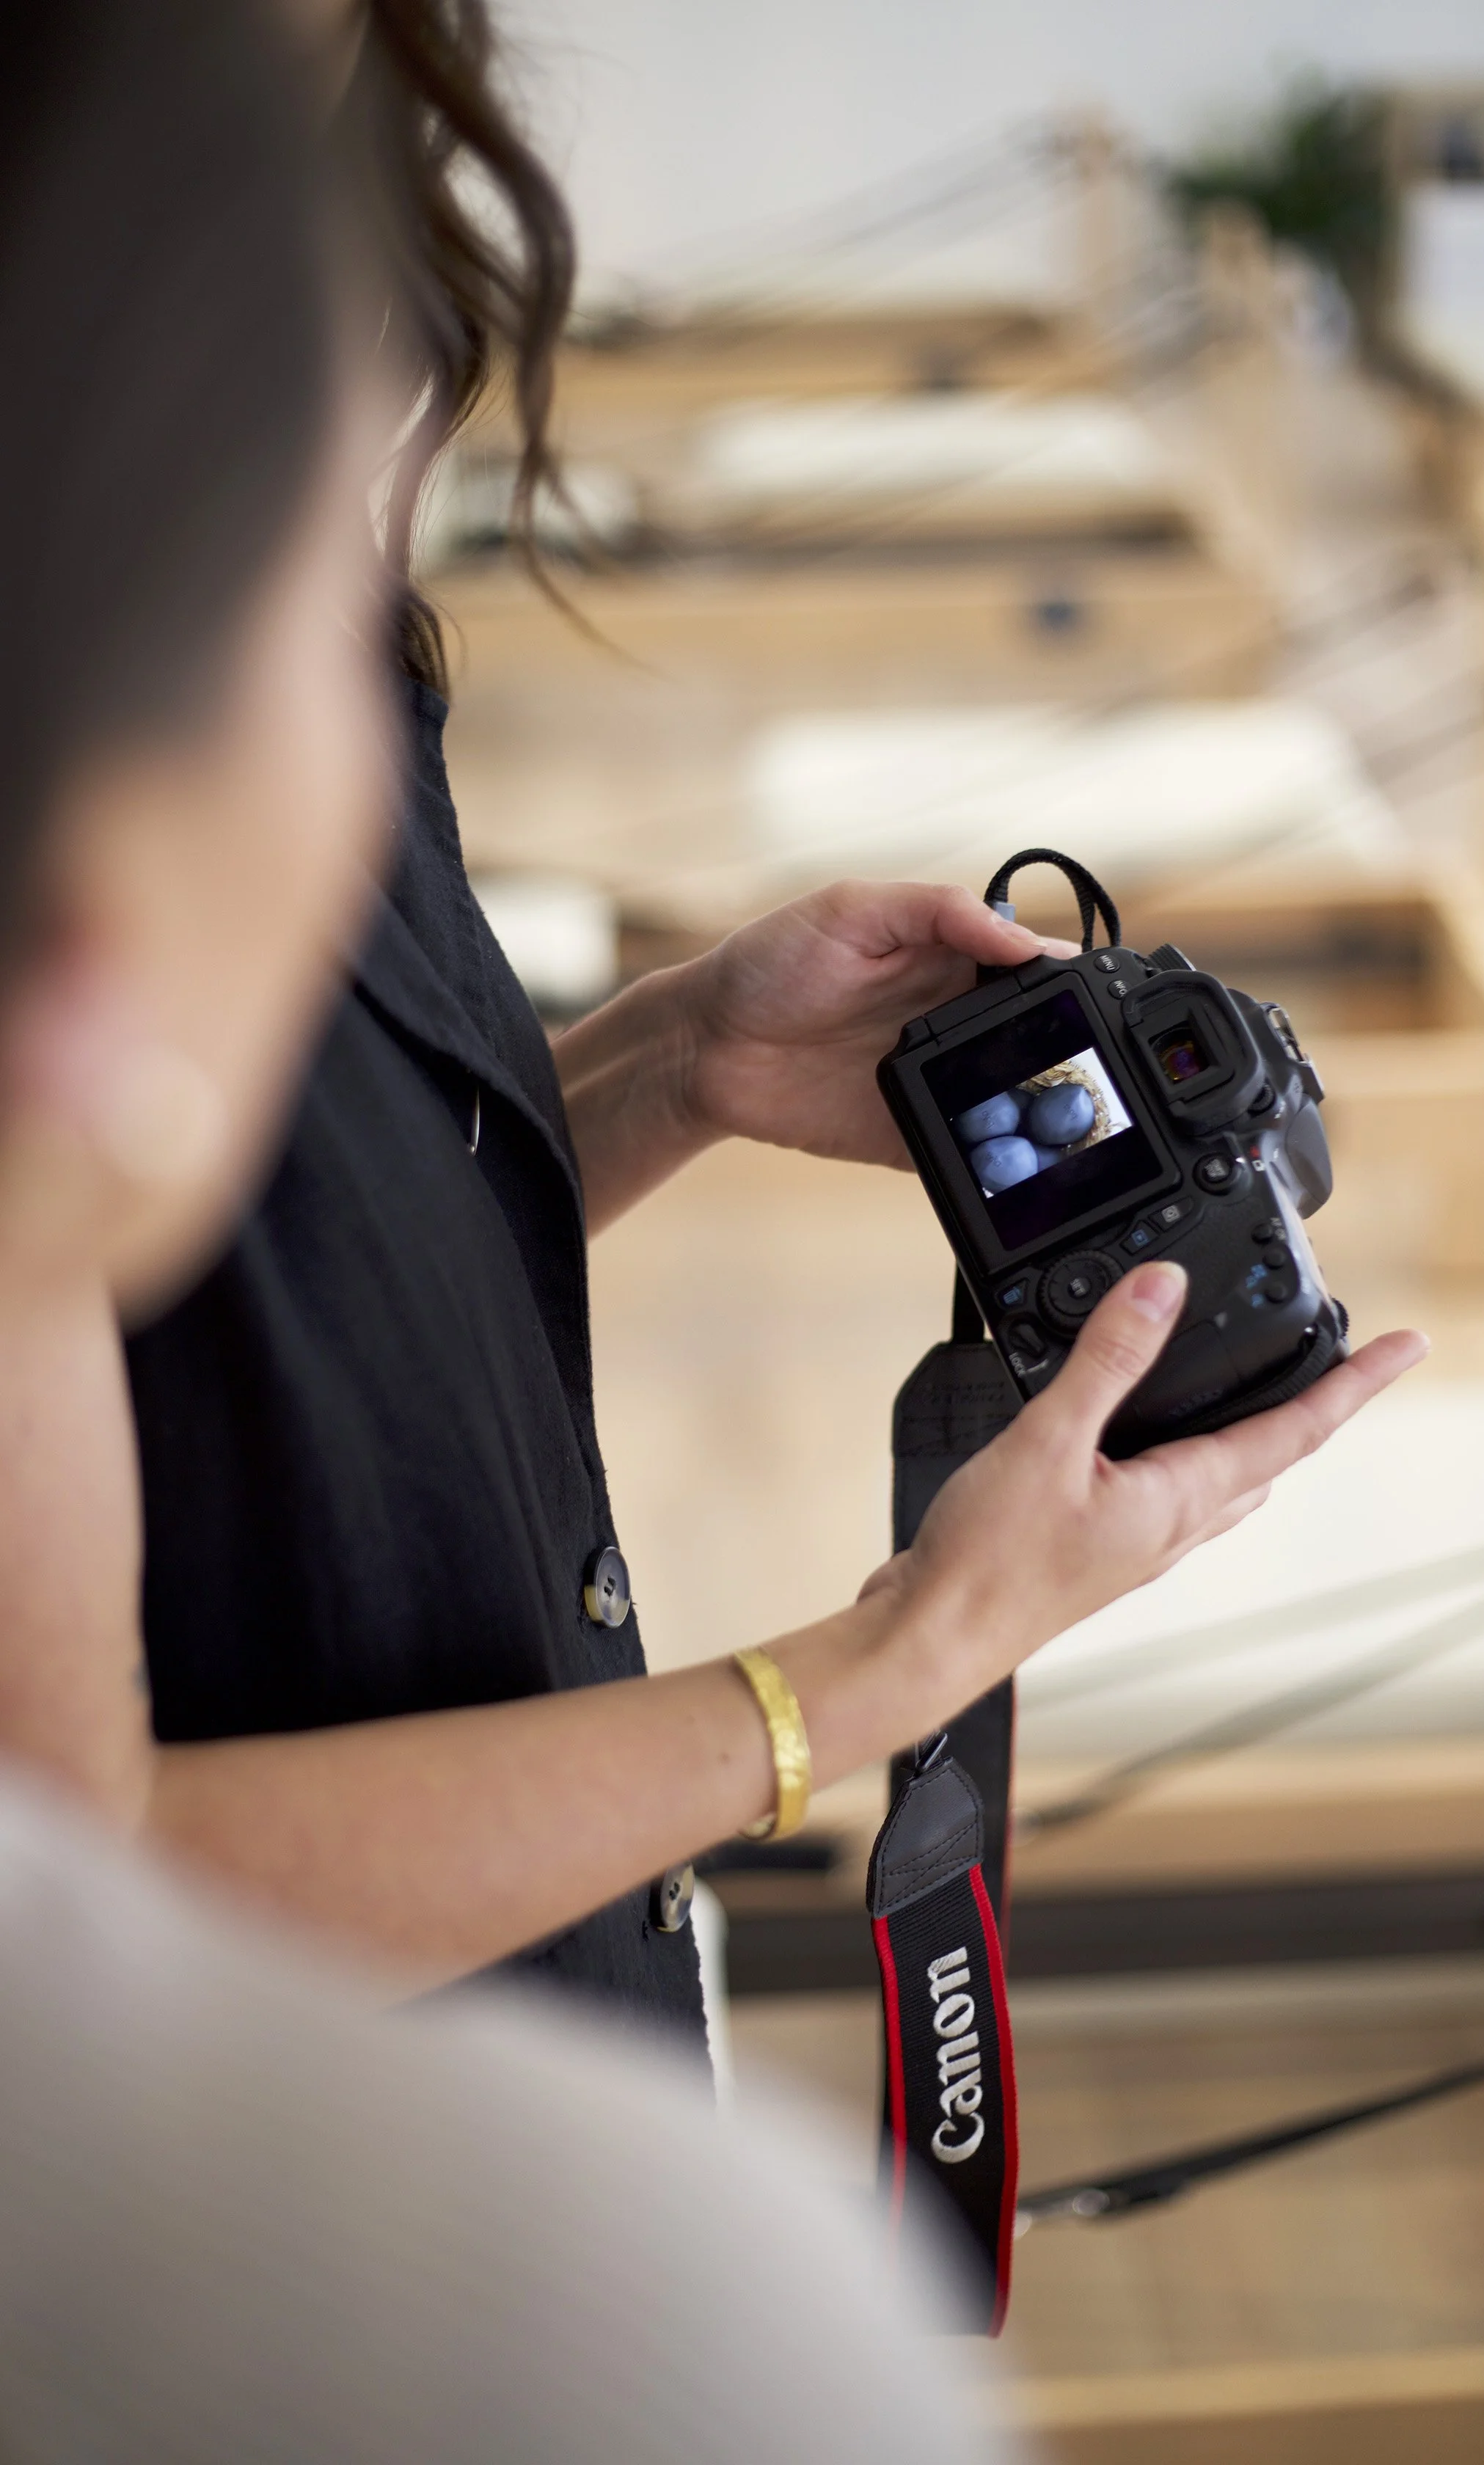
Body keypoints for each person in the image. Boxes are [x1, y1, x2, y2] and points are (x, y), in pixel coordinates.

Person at [0, 0, 1427, 2034]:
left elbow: (256, 1296)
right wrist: (879, 1672)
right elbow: (61, 1921)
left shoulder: (252, 218)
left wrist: (669, 1068)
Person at [0, 6, 1017, 2453]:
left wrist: (658, 1071)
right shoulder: (637, 2335)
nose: (374, 701)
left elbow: (227, 1248)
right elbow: (89, 1887)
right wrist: (870, 1679)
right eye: (305, 607)